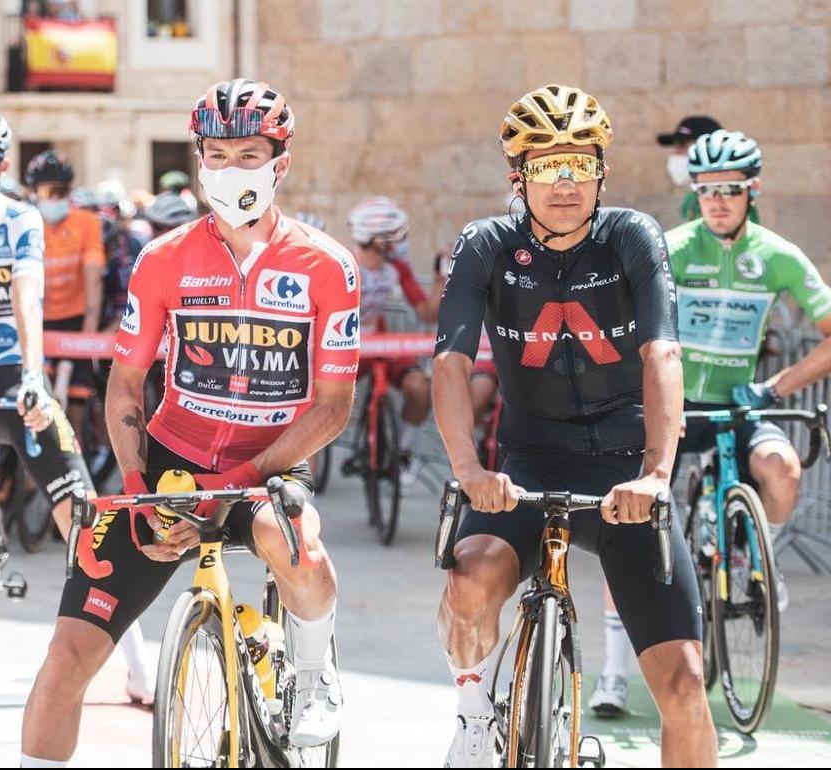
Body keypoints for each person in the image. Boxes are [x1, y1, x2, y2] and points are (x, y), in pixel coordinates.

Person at [20, 78, 357, 766]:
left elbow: (332, 407)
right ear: (200, 159)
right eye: (219, 154)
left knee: (293, 543)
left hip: (267, 469)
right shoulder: (164, 257)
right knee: (69, 652)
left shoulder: (328, 265)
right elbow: (124, 384)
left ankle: (316, 669)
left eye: (250, 154)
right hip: (172, 463)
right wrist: (140, 483)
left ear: (281, 163)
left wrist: (244, 475)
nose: (233, 169)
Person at [433, 84, 715, 767]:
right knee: (469, 578)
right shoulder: (486, 245)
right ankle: (474, 715)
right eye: (546, 167)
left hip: (624, 473)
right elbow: (450, 361)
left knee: (682, 684)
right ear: (517, 177)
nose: (564, 184)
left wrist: (656, 471)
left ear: (602, 173)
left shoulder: (631, 237)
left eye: (579, 166)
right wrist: (470, 472)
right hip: (528, 465)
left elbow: (662, 354)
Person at [590, 128, 831, 715]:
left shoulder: (775, 255)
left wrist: (777, 386)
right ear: (693, 194)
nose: (717, 200)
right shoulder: (670, 246)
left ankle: (758, 555)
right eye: (706, 190)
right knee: (630, 523)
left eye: (730, 189)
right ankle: (614, 676)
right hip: (671, 406)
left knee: (782, 467)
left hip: (741, 401)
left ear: (753, 191)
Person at [0, 105, 155, 703]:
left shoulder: (22, 220)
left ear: (2, 166)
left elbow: (28, 298)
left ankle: (136, 661)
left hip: (10, 378)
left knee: (82, 517)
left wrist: (32, 373)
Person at [346, 196, 444, 484]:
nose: (401, 242)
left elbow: (427, 313)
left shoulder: (397, 268)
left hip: (382, 344)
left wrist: (440, 280)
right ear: (377, 239)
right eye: (396, 235)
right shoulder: (345, 264)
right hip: (348, 346)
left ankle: (402, 453)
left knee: (420, 388)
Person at [25, 150, 105, 431]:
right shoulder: (25, 222)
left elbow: (94, 282)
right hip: (38, 319)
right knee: (35, 403)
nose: (55, 198)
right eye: (47, 191)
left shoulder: (88, 223)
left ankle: (78, 462)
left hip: (76, 318)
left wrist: (86, 341)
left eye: (62, 192)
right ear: (33, 192)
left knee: (76, 403)